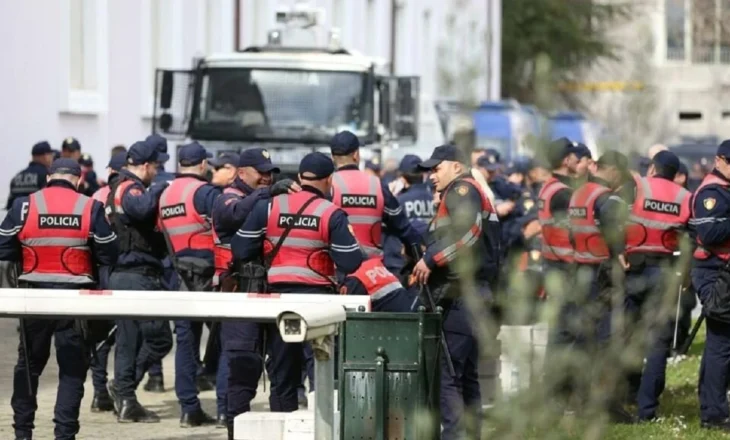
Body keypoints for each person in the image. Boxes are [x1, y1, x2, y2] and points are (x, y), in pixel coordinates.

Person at [228, 152, 362, 438]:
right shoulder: (331, 213)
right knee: (323, 376)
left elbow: (240, 248)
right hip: (319, 307)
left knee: (283, 377)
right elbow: (351, 262)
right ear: (329, 180)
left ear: (301, 177)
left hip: (280, 304)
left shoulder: (270, 207)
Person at [0, 158, 118, 440]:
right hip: (75, 301)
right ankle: (64, 435)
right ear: (77, 180)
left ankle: (22, 433)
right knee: (72, 370)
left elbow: (3, 248)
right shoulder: (90, 206)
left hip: (34, 298)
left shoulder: (24, 206)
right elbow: (109, 255)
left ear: (49, 176)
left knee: (28, 366)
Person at [412, 144, 501, 440]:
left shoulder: (462, 190)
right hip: (475, 295)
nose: (431, 176)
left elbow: (467, 234)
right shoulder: (471, 191)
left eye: (436, 169)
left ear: (457, 167)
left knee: (449, 377)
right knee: (466, 376)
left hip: (462, 296)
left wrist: (430, 259)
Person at [210, 147, 297, 435]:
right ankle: (235, 430)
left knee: (284, 371)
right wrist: (267, 195)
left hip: (271, 292)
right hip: (240, 294)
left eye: (270, 173)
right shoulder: (228, 198)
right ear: (241, 172)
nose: (266, 178)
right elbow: (234, 216)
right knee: (242, 368)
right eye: (260, 172)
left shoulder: (272, 201)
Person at [157, 142, 224, 427]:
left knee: (186, 343)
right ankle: (224, 407)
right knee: (223, 340)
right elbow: (224, 227)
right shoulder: (205, 192)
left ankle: (189, 408)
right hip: (209, 276)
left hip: (179, 277)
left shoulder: (164, 194)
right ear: (202, 165)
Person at [621, 151, 692, 421]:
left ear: (652, 169)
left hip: (633, 267)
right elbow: (689, 240)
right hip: (664, 269)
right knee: (658, 342)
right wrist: (686, 275)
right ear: (675, 175)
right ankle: (647, 409)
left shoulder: (637, 186)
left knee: (627, 333)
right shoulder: (684, 197)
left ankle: (625, 394)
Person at [105, 140, 173, 423]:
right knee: (159, 338)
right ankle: (124, 391)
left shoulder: (117, 187)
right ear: (145, 166)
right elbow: (142, 209)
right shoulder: (130, 188)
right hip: (136, 276)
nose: (157, 173)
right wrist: (160, 189)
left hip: (127, 274)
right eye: (156, 167)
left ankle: (125, 395)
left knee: (128, 341)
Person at [568, 150, 633, 423]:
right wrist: (619, 251)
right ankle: (606, 404)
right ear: (614, 170)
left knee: (585, 338)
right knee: (607, 339)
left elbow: (573, 233)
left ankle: (578, 397)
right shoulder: (604, 198)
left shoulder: (578, 194)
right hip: (602, 273)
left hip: (582, 269)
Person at [329, 131, 422, 259]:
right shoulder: (376, 184)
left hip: (337, 267)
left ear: (332, 157)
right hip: (372, 271)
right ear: (356, 155)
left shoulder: (328, 186)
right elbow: (402, 226)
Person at [689, 139, 730, 431]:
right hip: (715, 273)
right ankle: (713, 415)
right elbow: (711, 231)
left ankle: (712, 406)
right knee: (720, 344)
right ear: (719, 160)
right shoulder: (711, 192)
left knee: (721, 343)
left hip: (721, 272)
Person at [87, 151, 128, 413]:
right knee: (125, 333)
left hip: (98, 270)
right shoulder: (132, 192)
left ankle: (100, 392)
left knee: (100, 336)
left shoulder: (96, 196)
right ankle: (121, 387)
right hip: (121, 268)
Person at [142, 134, 174, 392]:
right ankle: (196, 372)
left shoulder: (142, 183)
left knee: (153, 323)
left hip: (153, 259)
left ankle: (155, 376)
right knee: (186, 326)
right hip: (177, 256)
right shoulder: (175, 182)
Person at [339, 257, 419, 312]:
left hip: (397, 324)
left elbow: (348, 316)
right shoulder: (374, 263)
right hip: (411, 310)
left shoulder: (354, 280)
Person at [7, 141, 54, 209]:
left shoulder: (17, 177)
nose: (52, 158)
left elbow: (9, 206)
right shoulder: (47, 175)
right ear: (45, 156)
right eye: (51, 154)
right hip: (34, 217)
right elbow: (49, 202)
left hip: (16, 217)